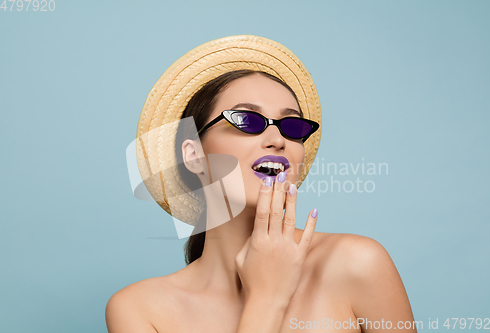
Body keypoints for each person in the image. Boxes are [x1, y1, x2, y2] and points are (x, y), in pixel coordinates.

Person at [106, 36, 417, 332]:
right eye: (247, 121)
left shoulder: (358, 264)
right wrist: (267, 298)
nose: (277, 139)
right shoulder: (139, 310)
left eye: (292, 126)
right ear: (194, 156)